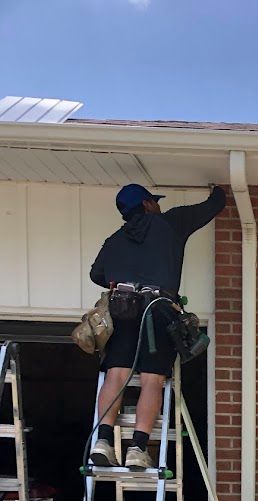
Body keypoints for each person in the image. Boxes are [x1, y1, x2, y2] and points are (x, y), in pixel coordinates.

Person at [88, 182, 226, 470]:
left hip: (122, 309)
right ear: (148, 204)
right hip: (157, 309)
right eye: (154, 201)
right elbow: (213, 207)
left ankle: (102, 442)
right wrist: (219, 188)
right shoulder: (170, 223)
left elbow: (97, 274)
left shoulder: (114, 240)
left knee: (116, 375)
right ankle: (138, 448)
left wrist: (123, 276)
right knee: (152, 380)